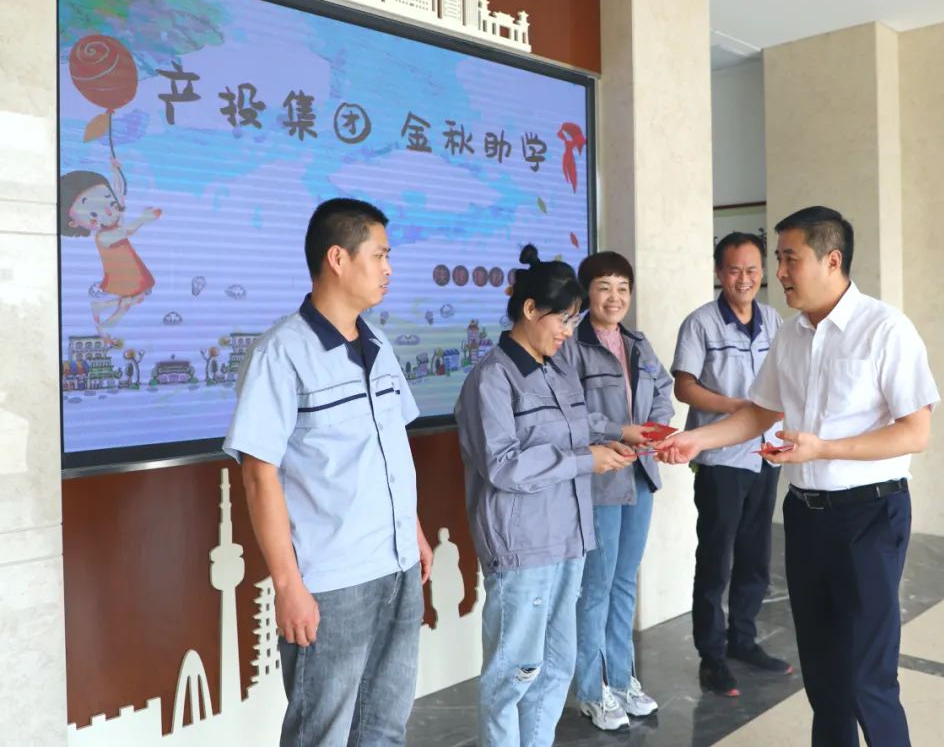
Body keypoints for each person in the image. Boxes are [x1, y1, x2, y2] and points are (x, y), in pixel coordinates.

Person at [659, 206, 939, 747]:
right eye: (778, 259)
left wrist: (824, 447)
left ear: (832, 260)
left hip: (870, 516)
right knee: (824, 677)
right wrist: (698, 439)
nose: (779, 273)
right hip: (807, 517)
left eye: (790, 259)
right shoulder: (789, 335)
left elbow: (915, 432)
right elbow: (759, 412)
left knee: (867, 678)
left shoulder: (885, 329)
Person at [223, 198, 434, 747]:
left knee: (384, 728)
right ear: (338, 258)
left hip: (397, 568)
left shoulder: (379, 344)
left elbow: (389, 447)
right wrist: (288, 586)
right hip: (332, 583)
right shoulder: (281, 353)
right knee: (321, 734)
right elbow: (258, 476)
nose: (389, 268)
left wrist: (411, 530)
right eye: (379, 255)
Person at [455, 244, 635, 747]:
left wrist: (620, 431)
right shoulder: (492, 379)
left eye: (574, 321)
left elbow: (574, 424)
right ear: (530, 309)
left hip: (569, 539)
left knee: (557, 666)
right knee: (513, 674)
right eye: (562, 319)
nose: (567, 331)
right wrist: (585, 460)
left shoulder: (556, 368)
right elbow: (503, 465)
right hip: (524, 547)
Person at [671, 232, 791, 698]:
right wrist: (736, 407)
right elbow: (684, 387)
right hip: (721, 456)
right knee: (716, 560)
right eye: (735, 270)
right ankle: (712, 656)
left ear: (763, 273)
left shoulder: (774, 320)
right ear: (719, 273)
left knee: (756, 556)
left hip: (765, 453)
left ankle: (744, 639)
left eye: (752, 270)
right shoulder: (701, 323)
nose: (744, 279)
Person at [561, 251, 675, 730]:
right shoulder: (573, 346)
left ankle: (623, 681)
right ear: (587, 293)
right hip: (600, 480)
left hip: (640, 475)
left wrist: (656, 428)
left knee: (625, 581)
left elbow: (663, 389)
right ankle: (592, 691)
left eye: (623, 288)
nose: (615, 297)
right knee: (597, 588)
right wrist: (619, 431)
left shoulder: (637, 343)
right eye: (604, 287)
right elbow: (569, 412)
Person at [59, 157, 161, 341]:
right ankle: (105, 323)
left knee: (136, 298)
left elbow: (119, 192)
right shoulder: (104, 236)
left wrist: (115, 171)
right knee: (135, 298)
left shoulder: (114, 223)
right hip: (124, 275)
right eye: (94, 212)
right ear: (74, 223)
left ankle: (102, 310)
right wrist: (144, 218)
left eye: (109, 202)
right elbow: (127, 231)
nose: (108, 210)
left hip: (131, 270)